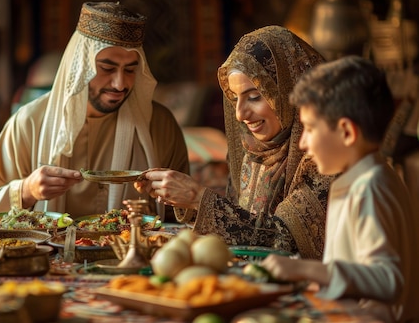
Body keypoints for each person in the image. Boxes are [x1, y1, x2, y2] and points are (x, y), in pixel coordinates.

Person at [0, 2, 189, 222]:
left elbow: (183, 217)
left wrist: (180, 199)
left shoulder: (159, 124)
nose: (120, 84)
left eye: (130, 70)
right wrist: (26, 190)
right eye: (107, 69)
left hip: (134, 255)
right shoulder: (30, 122)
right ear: (81, 66)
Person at [135, 26, 335, 259]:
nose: (240, 114)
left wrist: (198, 198)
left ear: (289, 90)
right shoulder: (251, 149)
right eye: (235, 98)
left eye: (253, 97)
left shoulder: (325, 155)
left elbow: (286, 241)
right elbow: (239, 220)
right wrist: (189, 202)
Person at [260, 56, 418, 323]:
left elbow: (389, 279)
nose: (303, 143)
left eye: (310, 129)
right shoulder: (358, 179)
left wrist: (305, 269)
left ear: (346, 132)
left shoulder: (371, 186)